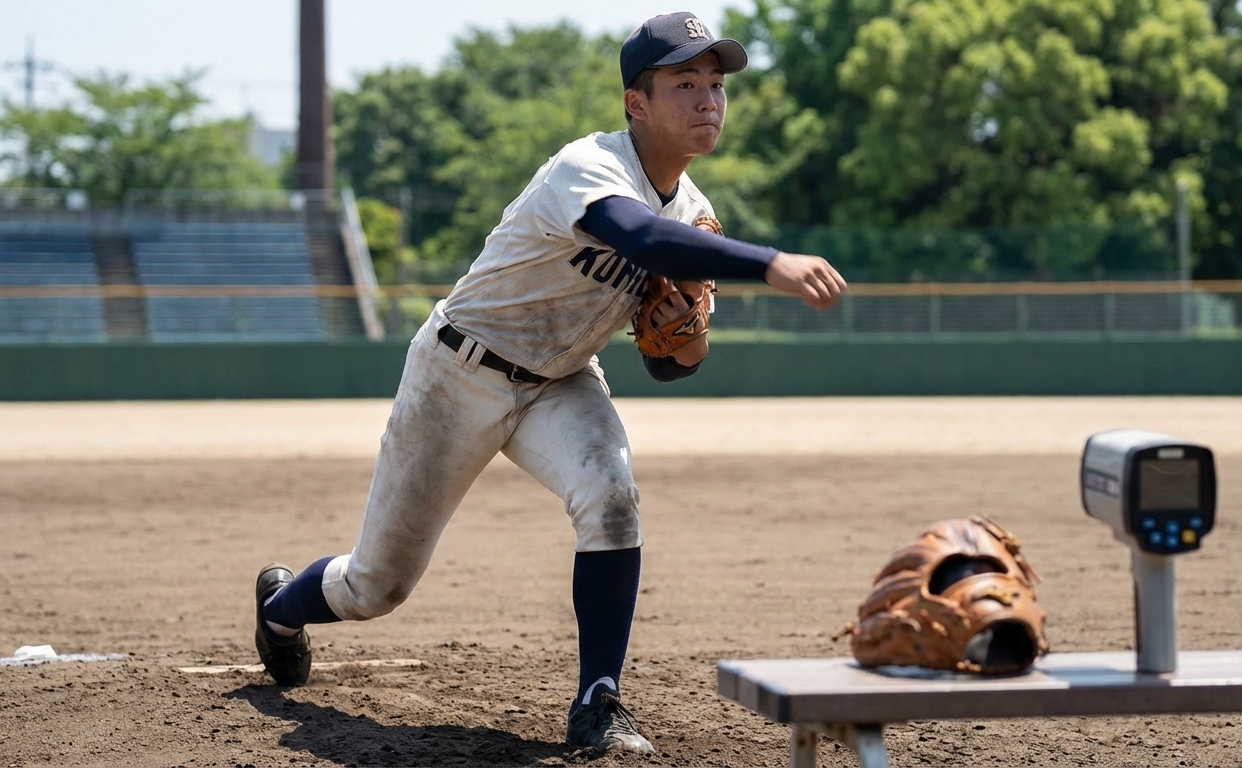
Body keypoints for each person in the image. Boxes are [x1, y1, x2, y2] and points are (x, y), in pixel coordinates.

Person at [253, 11, 847, 754]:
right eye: (685, 83)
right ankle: (280, 607)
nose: (708, 100)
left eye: (717, 85)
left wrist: (684, 333)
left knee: (612, 497)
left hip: (562, 381)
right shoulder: (589, 167)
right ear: (637, 103)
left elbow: (670, 366)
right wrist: (769, 264)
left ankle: (598, 701)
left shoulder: (696, 216)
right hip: (458, 370)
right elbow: (635, 233)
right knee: (377, 585)